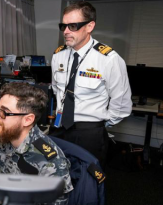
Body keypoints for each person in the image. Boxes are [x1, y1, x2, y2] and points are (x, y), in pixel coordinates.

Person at [50, 1, 132, 168]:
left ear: (89, 26)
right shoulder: (58, 55)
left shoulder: (109, 59)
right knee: (54, 178)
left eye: (72, 26)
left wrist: (98, 124)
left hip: (89, 133)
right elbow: (56, 90)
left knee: (87, 183)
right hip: (59, 127)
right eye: (63, 26)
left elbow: (122, 104)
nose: (66, 31)